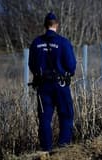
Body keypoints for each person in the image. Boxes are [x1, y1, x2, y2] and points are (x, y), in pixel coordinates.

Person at [29, 12, 77, 151]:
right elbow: (71, 65)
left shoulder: (36, 42)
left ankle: (46, 148)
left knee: (44, 118)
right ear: (56, 24)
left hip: (43, 86)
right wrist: (67, 73)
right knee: (66, 114)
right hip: (60, 85)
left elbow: (31, 64)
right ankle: (63, 147)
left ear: (45, 25)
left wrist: (39, 74)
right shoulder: (63, 42)